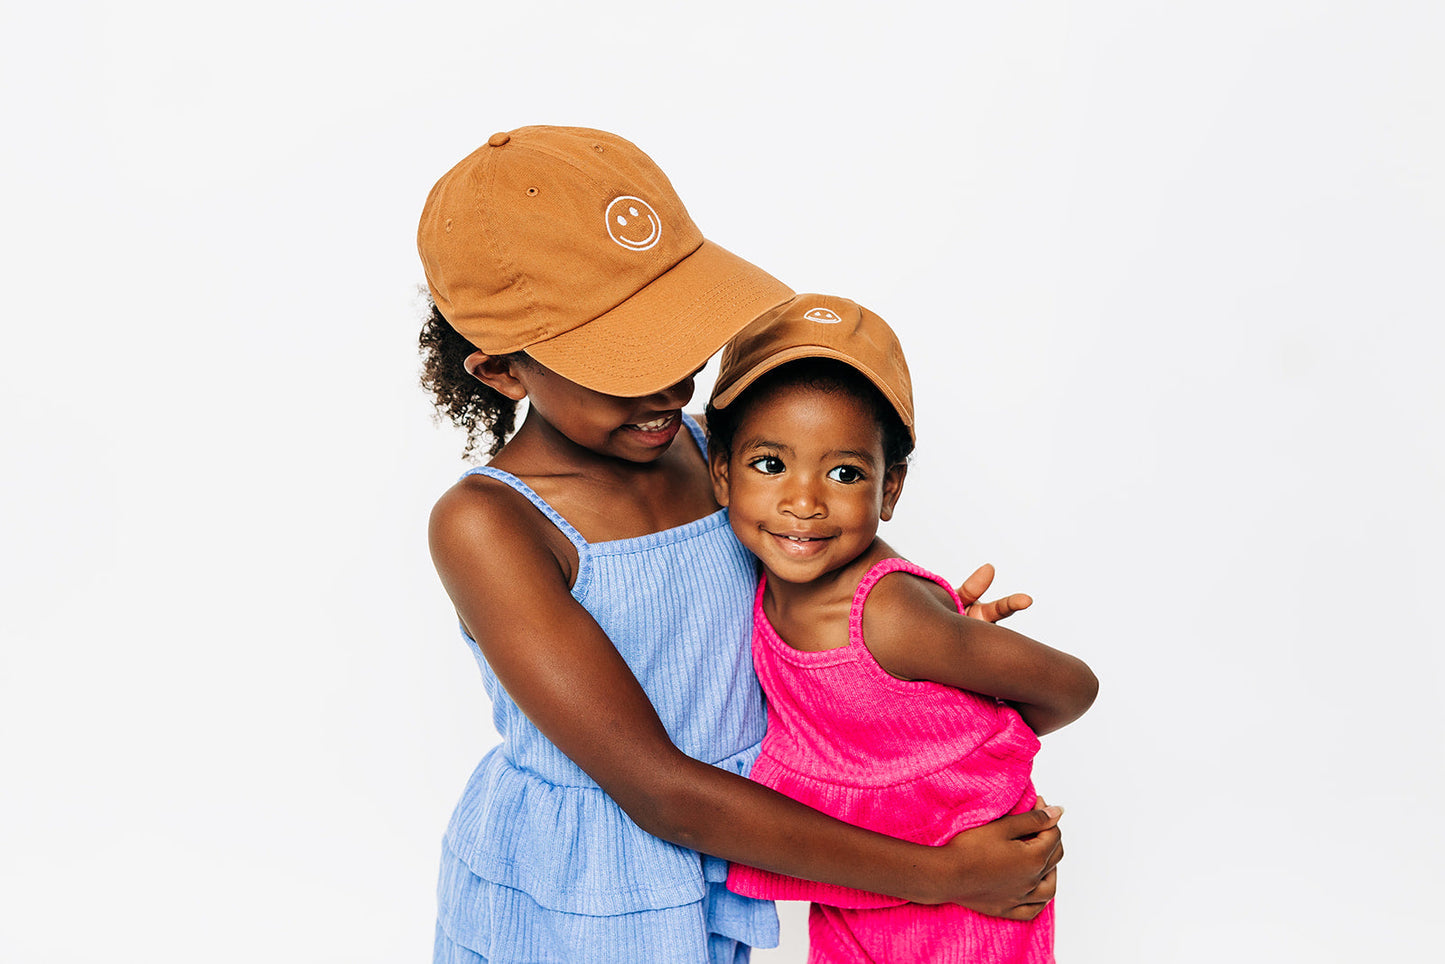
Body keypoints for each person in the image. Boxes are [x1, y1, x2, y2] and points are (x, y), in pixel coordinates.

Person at [417, 127, 1067, 964]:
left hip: (739, 844)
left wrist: (925, 640)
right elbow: (660, 791)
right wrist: (938, 875)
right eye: (620, 362)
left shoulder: (717, 457)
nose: (665, 386)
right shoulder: (491, 525)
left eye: (673, 343)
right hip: (585, 894)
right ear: (501, 371)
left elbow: (798, 617)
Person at [707, 294, 1099, 963]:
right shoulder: (756, 578)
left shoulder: (888, 616)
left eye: (844, 472)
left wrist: (976, 727)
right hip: (865, 879)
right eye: (770, 464)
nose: (803, 500)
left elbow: (1072, 686)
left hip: (969, 886)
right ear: (720, 472)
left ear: (889, 491)